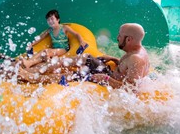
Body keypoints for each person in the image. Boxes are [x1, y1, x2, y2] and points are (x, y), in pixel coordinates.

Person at [17, 23, 150, 89]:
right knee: (84, 58)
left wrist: (105, 78)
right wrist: (114, 59)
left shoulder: (136, 59)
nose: (117, 38)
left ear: (129, 40)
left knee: (73, 75)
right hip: (109, 72)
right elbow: (127, 69)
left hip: (107, 80)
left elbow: (131, 89)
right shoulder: (136, 51)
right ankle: (33, 69)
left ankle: (31, 77)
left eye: (120, 36)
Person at [21, 9, 87, 69]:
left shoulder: (64, 28)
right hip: (54, 50)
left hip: (63, 49)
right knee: (43, 56)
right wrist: (31, 44)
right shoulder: (49, 30)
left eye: (52, 19)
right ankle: (29, 64)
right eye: (48, 20)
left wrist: (82, 41)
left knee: (45, 51)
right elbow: (40, 38)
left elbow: (76, 34)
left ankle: (28, 62)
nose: (50, 21)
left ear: (58, 20)